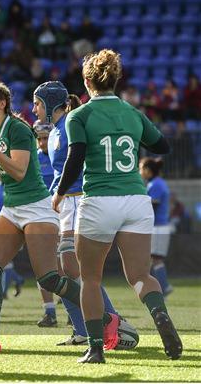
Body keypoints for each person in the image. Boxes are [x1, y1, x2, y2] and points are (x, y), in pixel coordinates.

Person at [0, 80, 109, 354]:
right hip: (12, 209)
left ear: (2, 103)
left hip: (37, 207)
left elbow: (20, 171)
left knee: (48, 278)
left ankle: (108, 318)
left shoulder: (19, 129)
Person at [52, 49, 182, 363]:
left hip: (99, 200)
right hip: (136, 200)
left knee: (91, 278)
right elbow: (162, 145)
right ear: (116, 79)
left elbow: (75, 159)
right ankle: (162, 319)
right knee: (140, 275)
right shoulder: (132, 112)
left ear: (86, 81)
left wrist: (59, 192)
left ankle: (95, 348)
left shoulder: (80, 115)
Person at [35, 82, 127, 347]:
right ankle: (82, 329)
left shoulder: (72, 125)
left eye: (38, 103)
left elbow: (78, 163)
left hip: (75, 200)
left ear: (52, 104)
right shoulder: (53, 132)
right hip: (62, 204)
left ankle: (113, 322)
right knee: (60, 271)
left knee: (74, 268)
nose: (34, 108)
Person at [32, 119, 58, 328]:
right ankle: (50, 312)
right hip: (41, 217)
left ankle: (73, 309)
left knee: (68, 266)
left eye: (46, 138)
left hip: (63, 215)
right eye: (39, 138)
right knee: (42, 265)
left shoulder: (62, 157)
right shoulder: (33, 158)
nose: (42, 143)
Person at [140, 157, 173, 297]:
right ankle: (162, 287)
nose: (139, 171)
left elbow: (152, 205)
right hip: (159, 226)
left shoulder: (155, 185)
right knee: (154, 258)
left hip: (157, 227)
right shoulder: (156, 183)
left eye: (140, 168)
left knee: (156, 258)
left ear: (147, 170)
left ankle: (164, 287)